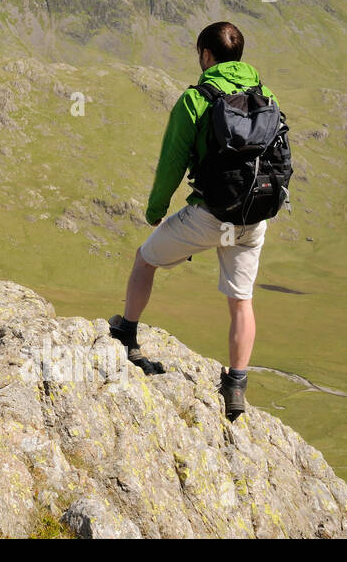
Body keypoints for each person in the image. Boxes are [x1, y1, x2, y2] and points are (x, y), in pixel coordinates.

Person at [110, 21, 274, 421]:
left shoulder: (196, 99)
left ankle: (127, 333)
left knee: (145, 259)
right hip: (254, 216)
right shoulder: (265, 94)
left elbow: (172, 161)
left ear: (205, 55)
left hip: (210, 215)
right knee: (241, 301)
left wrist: (155, 210)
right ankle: (235, 385)